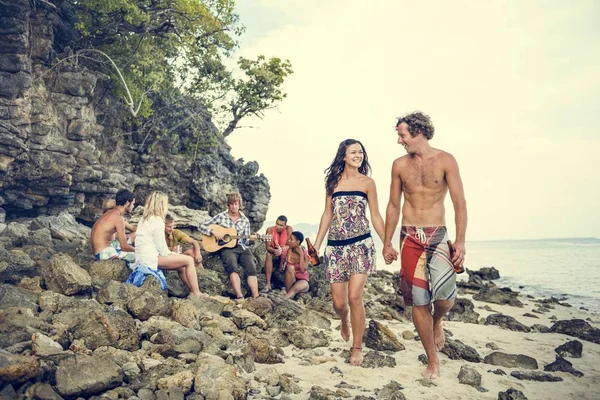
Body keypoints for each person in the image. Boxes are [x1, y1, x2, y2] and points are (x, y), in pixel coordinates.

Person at [382, 111, 467, 379]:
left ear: (417, 133)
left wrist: (461, 241)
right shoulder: (398, 165)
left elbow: (459, 203)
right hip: (409, 236)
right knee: (419, 300)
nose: (399, 140)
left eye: (402, 134)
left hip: (438, 234)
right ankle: (432, 361)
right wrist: (386, 241)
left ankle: (438, 320)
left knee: (444, 297)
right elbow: (394, 205)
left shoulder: (445, 160)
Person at [313, 139, 385, 366]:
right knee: (339, 303)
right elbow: (327, 215)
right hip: (335, 248)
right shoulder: (332, 183)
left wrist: (388, 243)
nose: (358, 155)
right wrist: (316, 244)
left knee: (355, 297)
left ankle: (357, 347)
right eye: (353, 152)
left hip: (361, 245)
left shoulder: (368, 183)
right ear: (343, 156)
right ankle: (344, 320)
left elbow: (375, 215)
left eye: (361, 152)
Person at [131, 191, 203, 297]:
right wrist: (176, 254)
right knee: (188, 260)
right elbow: (163, 250)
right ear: (161, 205)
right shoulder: (158, 221)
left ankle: (192, 291)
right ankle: (197, 293)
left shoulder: (144, 219)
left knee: (181, 266)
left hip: (142, 258)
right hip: (151, 259)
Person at [199, 192, 259, 299]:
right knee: (232, 266)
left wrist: (250, 240)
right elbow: (201, 226)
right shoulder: (221, 216)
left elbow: (245, 241)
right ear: (228, 205)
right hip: (226, 247)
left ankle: (256, 296)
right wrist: (213, 231)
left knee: (251, 267)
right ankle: (239, 296)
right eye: (232, 204)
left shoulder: (245, 220)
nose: (234, 206)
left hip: (242, 247)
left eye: (236, 204)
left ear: (239, 205)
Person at [91, 189, 136, 263]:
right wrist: (138, 250)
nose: (133, 206)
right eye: (133, 204)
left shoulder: (110, 212)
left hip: (101, 250)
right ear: (127, 203)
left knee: (134, 236)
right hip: (104, 253)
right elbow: (124, 247)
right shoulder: (118, 218)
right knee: (140, 257)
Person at [262, 215, 293, 293]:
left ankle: (286, 285)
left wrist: (282, 249)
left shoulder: (289, 229)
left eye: (281, 225)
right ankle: (268, 284)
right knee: (268, 255)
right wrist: (275, 251)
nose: (278, 227)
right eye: (277, 224)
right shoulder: (269, 230)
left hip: (284, 250)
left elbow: (290, 244)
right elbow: (268, 247)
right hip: (274, 250)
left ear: (285, 225)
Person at [279, 231, 310, 299]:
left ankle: (285, 299)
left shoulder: (305, 253)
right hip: (289, 281)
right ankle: (288, 297)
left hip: (302, 280)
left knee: (296, 288)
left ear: (298, 242)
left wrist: (301, 255)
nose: (289, 241)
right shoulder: (286, 252)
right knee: (290, 267)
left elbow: (302, 270)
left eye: (291, 239)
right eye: (289, 238)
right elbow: (280, 268)